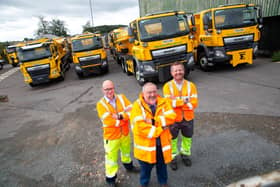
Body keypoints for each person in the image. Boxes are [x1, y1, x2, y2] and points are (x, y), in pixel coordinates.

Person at [130, 82, 176, 187]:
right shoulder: (137, 106)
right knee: (145, 170)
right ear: (143, 94)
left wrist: (153, 121)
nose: (152, 94)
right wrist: (161, 127)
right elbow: (140, 128)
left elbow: (172, 117)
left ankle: (163, 182)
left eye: (154, 91)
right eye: (149, 92)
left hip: (161, 145)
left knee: (162, 166)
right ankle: (144, 184)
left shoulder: (164, 102)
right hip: (146, 148)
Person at [96, 80, 139, 187]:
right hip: (111, 137)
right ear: (102, 90)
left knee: (126, 152)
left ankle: (129, 166)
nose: (109, 91)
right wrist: (124, 118)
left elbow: (132, 110)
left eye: (111, 88)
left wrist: (119, 116)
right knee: (111, 159)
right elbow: (108, 121)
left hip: (124, 133)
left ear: (114, 88)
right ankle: (111, 179)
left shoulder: (121, 97)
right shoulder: (100, 104)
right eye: (106, 89)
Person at [163, 62, 198, 170]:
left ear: (183, 71)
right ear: (171, 73)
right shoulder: (167, 86)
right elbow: (168, 103)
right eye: (175, 70)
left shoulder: (191, 86)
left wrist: (177, 102)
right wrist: (184, 101)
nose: (178, 72)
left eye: (180, 70)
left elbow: (194, 104)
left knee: (187, 138)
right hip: (173, 119)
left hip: (188, 118)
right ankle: (172, 158)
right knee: (172, 139)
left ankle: (185, 154)